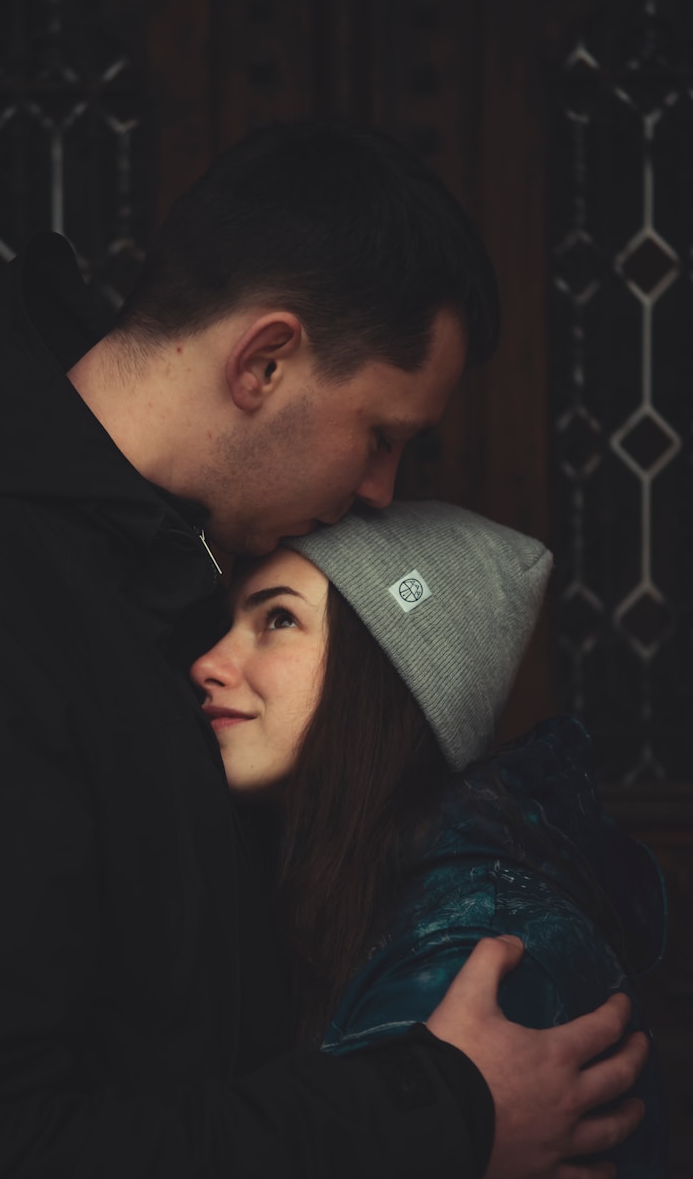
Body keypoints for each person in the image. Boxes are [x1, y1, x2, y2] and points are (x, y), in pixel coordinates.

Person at [0, 120, 647, 1178]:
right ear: (265, 361)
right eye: (379, 434)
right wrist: (439, 1117)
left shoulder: (171, 556)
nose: (382, 492)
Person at [190, 499, 667, 1176]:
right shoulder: (344, 890)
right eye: (229, 623)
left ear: (385, 675)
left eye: (278, 619)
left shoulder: (478, 957)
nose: (209, 662)